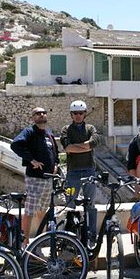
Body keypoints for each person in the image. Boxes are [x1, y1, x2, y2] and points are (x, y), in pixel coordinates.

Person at [11, 107, 60, 243]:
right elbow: (15, 145)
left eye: (43, 112)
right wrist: (31, 160)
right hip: (34, 179)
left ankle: (39, 241)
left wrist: (55, 164)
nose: (41, 115)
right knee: (30, 211)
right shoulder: (29, 132)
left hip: (48, 179)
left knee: (42, 211)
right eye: (38, 113)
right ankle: (25, 243)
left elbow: (56, 152)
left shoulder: (48, 134)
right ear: (33, 117)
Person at [60, 100, 100, 244]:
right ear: (71, 114)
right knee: (70, 203)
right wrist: (85, 146)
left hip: (89, 170)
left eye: (80, 113)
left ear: (85, 114)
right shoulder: (66, 129)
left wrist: (74, 146)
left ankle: (91, 235)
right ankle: (69, 235)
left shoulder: (90, 128)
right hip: (73, 172)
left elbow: (93, 143)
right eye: (75, 113)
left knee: (90, 203)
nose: (78, 116)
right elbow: (67, 148)